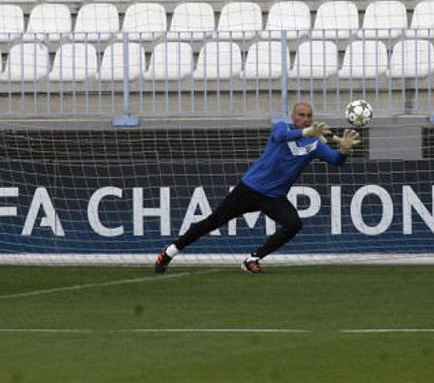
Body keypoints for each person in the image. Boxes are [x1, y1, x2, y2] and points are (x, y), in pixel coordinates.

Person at [154, 102, 361, 275]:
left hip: (274, 197)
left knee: (293, 224)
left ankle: (252, 259)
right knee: (212, 222)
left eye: (308, 116)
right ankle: (169, 252)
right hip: (250, 189)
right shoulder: (282, 128)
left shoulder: (314, 143)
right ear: (293, 116)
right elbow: (282, 137)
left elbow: (336, 161)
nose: (305, 118)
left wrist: (343, 150)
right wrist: (306, 131)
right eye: (301, 115)